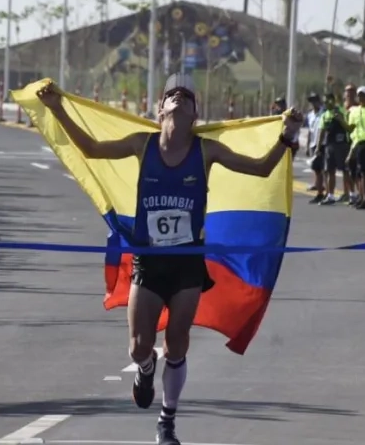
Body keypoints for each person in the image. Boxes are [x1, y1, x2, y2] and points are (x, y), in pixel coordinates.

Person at [36, 73, 301, 445]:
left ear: (194, 114)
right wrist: (57, 108)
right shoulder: (141, 144)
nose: (179, 97)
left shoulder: (206, 150)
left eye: (186, 96)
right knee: (139, 346)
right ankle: (145, 369)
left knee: (178, 343)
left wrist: (287, 136)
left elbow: (259, 168)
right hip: (148, 260)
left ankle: (167, 422)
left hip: (187, 263)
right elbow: (92, 149)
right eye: (171, 95)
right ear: (160, 110)